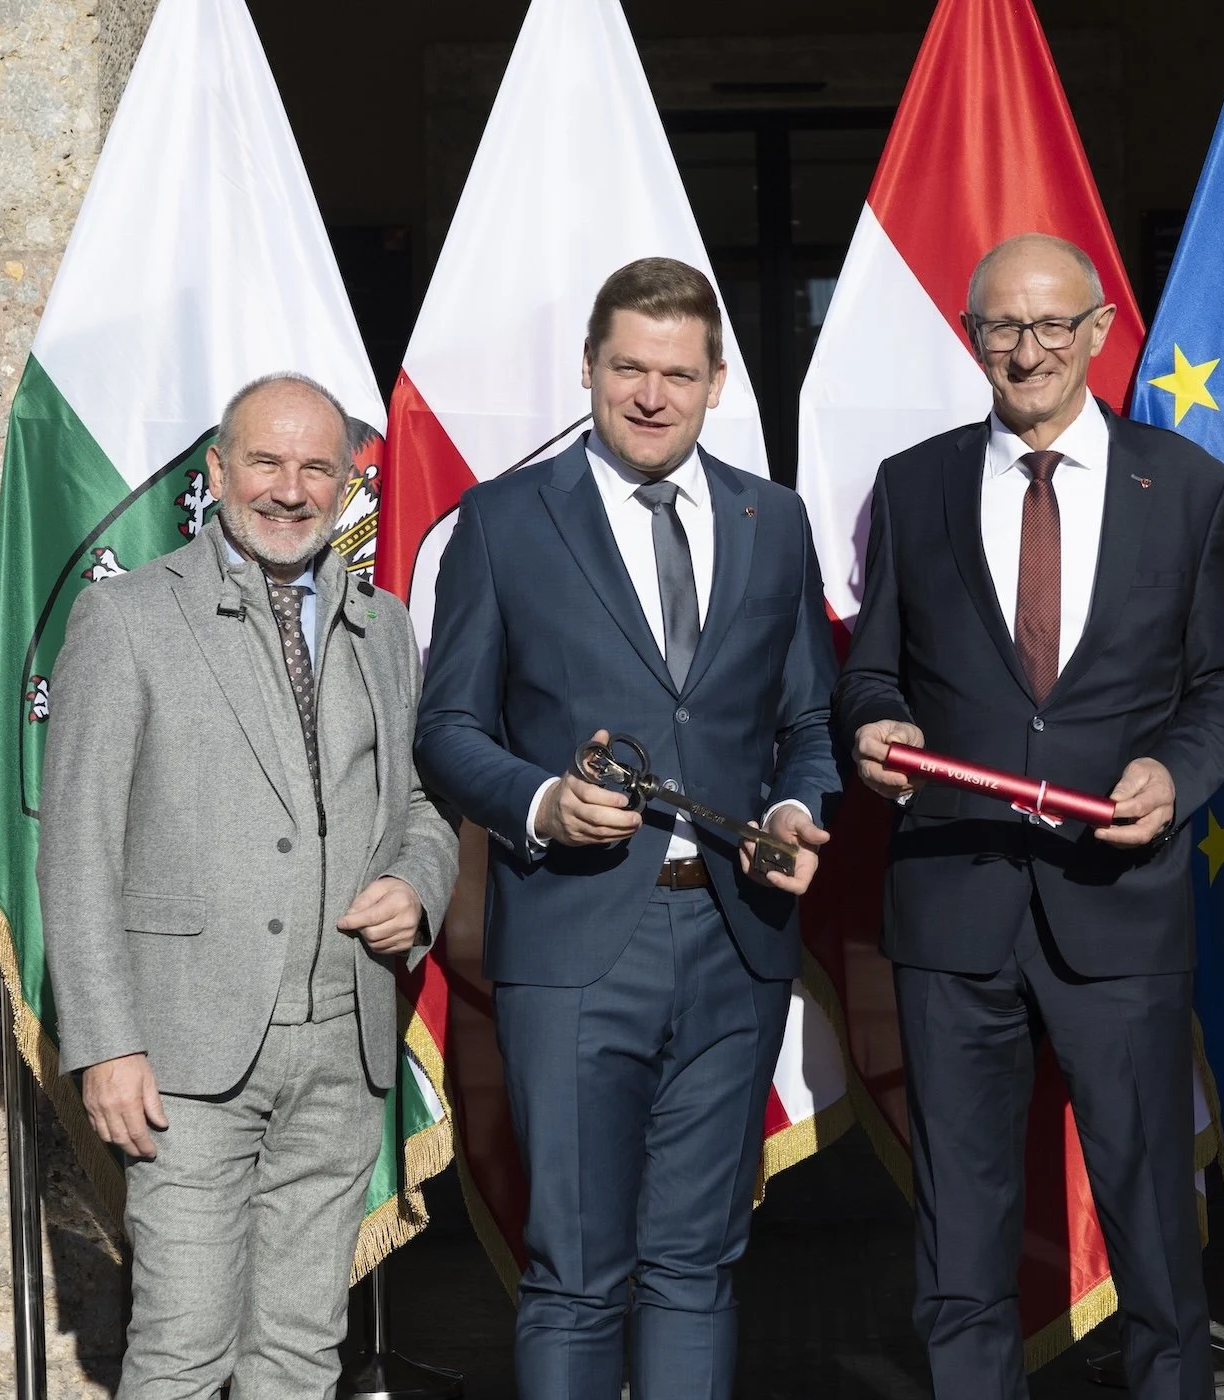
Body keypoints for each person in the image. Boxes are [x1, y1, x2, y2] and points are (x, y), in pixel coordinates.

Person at [413, 256, 841, 1400]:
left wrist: (799, 805)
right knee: (576, 1271)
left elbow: (807, 718)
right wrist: (541, 802)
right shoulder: (503, 522)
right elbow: (446, 726)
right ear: (591, 369)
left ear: (716, 383)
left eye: (677, 374)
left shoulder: (774, 519)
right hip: (572, 942)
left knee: (696, 1265)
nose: (651, 395)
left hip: (734, 944)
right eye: (628, 369)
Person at [835, 232, 1224, 1400]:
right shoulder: (912, 484)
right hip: (952, 906)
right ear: (972, 340)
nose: (1029, 350)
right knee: (960, 1234)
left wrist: (1176, 771)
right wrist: (872, 725)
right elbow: (873, 670)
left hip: (1120, 906)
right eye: (1002, 328)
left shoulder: (1190, 488)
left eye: (1051, 325)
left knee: (1156, 1223)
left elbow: (1220, 684)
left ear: (1101, 330)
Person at [38, 372, 461, 1398]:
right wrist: (105, 1042)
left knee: (299, 1353)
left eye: (317, 466)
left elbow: (424, 804)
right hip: (183, 1055)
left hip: (342, 1047)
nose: (289, 488)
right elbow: (78, 845)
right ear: (218, 470)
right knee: (182, 1348)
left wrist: (416, 880)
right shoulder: (127, 618)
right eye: (265, 462)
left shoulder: (386, 625)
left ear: (346, 480)